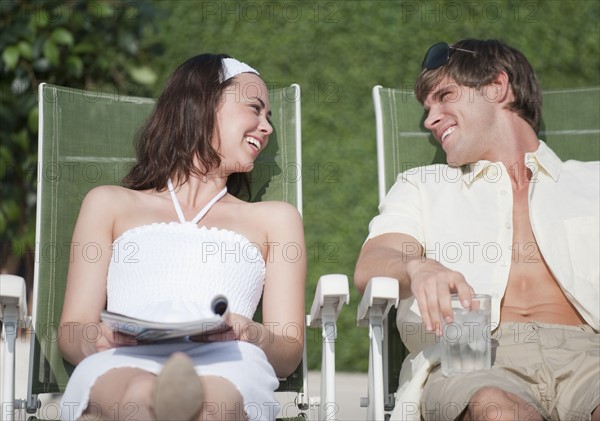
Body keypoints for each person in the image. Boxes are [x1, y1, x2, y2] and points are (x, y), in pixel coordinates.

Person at [354, 39, 599, 421]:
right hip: (471, 356)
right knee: (495, 410)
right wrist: (416, 267)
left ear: (497, 87)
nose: (430, 119)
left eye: (445, 95)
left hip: (590, 357)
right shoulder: (422, 185)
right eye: (427, 108)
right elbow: (372, 263)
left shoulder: (593, 182)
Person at [57, 54, 306, 421]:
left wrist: (251, 332)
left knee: (209, 405)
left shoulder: (275, 220)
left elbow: (287, 351)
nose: (266, 127)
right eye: (255, 108)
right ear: (202, 102)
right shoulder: (109, 204)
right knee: (140, 394)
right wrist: (96, 337)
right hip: (126, 355)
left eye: (268, 117)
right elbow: (72, 329)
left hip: (229, 359)